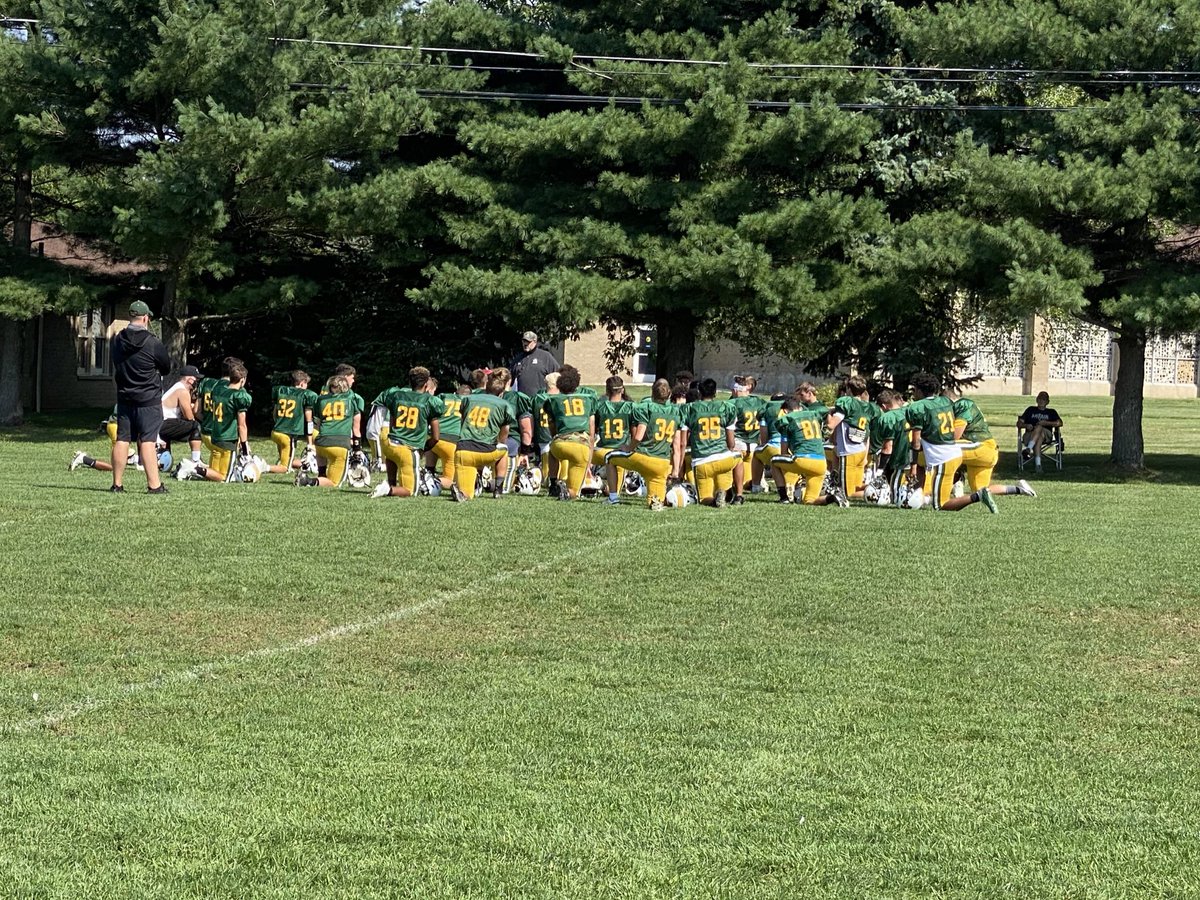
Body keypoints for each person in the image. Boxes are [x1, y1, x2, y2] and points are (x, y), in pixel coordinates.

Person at [109, 299, 172, 493]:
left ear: (130, 316)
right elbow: (166, 368)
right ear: (145, 318)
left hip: (125, 397)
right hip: (148, 399)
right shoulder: (152, 342)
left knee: (122, 439)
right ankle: (154, 485)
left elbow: (116, 363)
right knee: (147, 440)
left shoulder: (117, 340)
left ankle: (117, 484)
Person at [605, 378, 684, 511]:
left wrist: (628, 448)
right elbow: (676, 446)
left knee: (609, 458)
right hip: (662, 463)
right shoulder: (676, 412)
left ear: (652, 394)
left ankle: (613, 498)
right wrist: (675, 470)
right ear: (669, 394)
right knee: (654, 501)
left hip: (644, 458)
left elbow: (638, 436)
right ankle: (658, 501)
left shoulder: (646, 408)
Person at [371, 366, 445, 499]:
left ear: (410, 382)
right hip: (407, 448)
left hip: (389, 444)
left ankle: (391, 484)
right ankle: (388, 489)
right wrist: (424, 447)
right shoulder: (430, 401)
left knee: (393, 456)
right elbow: (436, 437)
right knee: (410, 491)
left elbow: (393, 423)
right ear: (427, 383)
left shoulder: (396, 395)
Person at [176, 358, 253, 483]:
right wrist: (245, 450)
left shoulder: (217, 390)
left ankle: (194, 469)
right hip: (227, 438)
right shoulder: (239, 395)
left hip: (215, 436)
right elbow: (242, 425)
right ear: (242, 380)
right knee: (224, 477)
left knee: (214, 474)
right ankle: (194, 468)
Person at [452, 368, 518, 501]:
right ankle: (498, 489)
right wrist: (499, 441)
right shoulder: (504, 404)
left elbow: (463, 419)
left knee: (467, 494)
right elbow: (505, 431)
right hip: (486, 451)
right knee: (504, 450)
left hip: (463, 450)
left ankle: (463, 492)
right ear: (501, 392)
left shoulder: (469, 399)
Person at [772, 397, 846, 507]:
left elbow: (783, 452)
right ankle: (832, 497)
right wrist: (830, 412)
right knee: (810, 501)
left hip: (803, 459)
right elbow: (829, 411)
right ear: (800, 408)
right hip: (821, 463)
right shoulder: (813, 414)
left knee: (774, 461)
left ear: (785, 411)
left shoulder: (787, 419)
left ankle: (784, 498)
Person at [681, 378, 740, 507]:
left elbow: (683, 442)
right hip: (723, 459)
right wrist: (730, 450)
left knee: (705, 499)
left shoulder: (690, 409)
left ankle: (715, 500)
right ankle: (735, 493)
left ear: (699, 393)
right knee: (738, 458)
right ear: (715, 393)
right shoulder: (725, 408)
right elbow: (731, 443)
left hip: (702, 462)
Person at [298, 373, 364, 487]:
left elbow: (317, 424)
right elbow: (356, 429)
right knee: (335, 483)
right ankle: (307, 481)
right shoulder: (352, 399)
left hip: (321, 442)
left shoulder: (321, 400)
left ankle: (319, 477)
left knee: (324, 477)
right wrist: (357, 451)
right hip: (339, 444)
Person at [545, 365, 597, 500]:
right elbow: (591, 430)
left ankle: (553, 483)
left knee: (552, 451)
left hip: (561, 443)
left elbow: (552, 425)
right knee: (573, 492)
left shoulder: (553, 400)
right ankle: (569, 492)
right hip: (581, 445)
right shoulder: (589, 398)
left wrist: (555, 438)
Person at [826, 375, 874, 502]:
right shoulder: (866, 406)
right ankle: (875, 490)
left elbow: (831, 425)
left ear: (848, 389)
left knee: (847, 493)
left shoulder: (847, 402)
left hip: (849, 451)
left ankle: (878, 493)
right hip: (861, 449)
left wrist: (829, 414)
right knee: (856, 487)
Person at [593, 376, 632, 504]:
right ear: (622, 390)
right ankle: (613, 493)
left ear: (607, 391)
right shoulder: (630, 407)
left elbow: (595, 429)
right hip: (621, 449)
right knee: (618, 465)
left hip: (602, 449)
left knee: (581, 459)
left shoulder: (600, 406)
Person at [156, 365, 204, 467]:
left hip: (159, 423)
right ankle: (196, 460)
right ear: (190, 379)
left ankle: (160, 455)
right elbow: (189, 416)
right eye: (196, 378)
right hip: (164, 423)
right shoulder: (182, 391)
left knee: (165, 462)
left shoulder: (177, 387)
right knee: (195, 426)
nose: (197, 381)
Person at [271, 370, 318, 469]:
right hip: (289, 433)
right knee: (285, 468)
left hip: (275, 431)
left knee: (285, 461)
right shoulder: (306, 395)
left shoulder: (281, 390)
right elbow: (309, 421)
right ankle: (264, 467)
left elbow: (275, 413)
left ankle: (283, 463)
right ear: (302, 383)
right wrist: (309, 443)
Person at [728, 376, 763, 500]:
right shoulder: (759, 401)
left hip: (738, 443)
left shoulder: (732, 404)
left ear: (736, 390)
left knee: (735, 481)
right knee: (746, 480)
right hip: (754, 445)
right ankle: (757, 483)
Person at [427, 380, 468, 488]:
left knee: (431, 446)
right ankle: (427, 481)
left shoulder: (444, 396)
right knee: (451, 480)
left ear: (456, 393)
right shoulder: (469, 402)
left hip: (434, 437)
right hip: (451, 441)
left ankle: (428, 472)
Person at [1018, 391, 1063, 473]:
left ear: (1047, 402)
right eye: (1039, 399)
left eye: (1044, 399)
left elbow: (1059, 423)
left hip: (1047, 435)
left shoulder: (1051, 412)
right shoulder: (1030, 410)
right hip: (1030, 435)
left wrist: (1046, 423)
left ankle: (1028, 449)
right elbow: (1019, 423)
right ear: (1036, 400)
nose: (1041, 401)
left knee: (1039, 427)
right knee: (1039, 437)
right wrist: (1026, 425)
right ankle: (1038, 466)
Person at [509, 331, 559, 396]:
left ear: (535, 342)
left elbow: (558, 375)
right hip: (522, 401)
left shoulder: (545, 356)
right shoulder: (518, 359)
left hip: (539, 400)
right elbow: (509, 379)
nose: (525, 344)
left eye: (528, 342)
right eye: (524, 341)